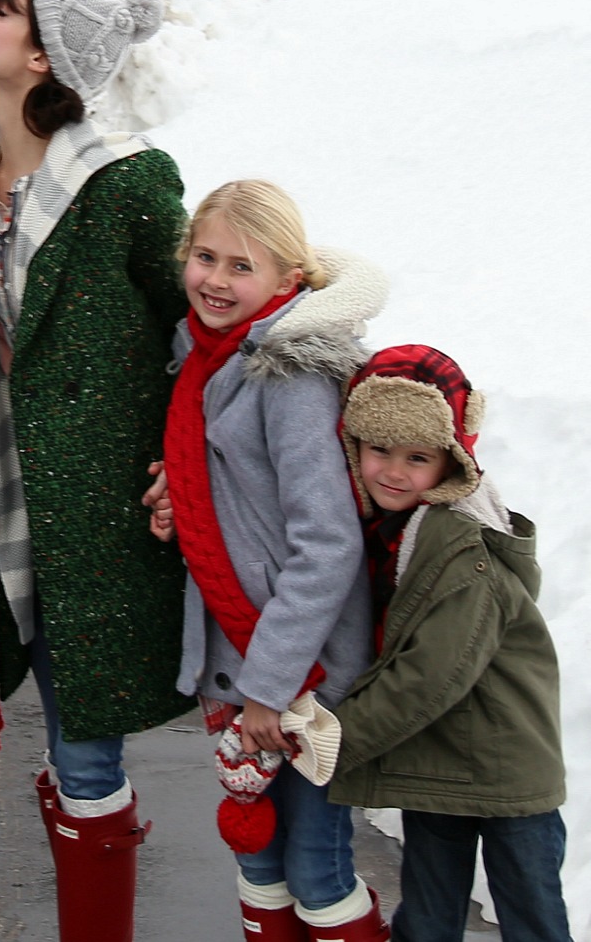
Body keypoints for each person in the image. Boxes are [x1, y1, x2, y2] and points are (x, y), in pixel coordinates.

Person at [0, 0, 187, 942]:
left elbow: (191, 330)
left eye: (2, 8)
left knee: (87, 755)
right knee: (11, 743)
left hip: (96, 523)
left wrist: (180, 460)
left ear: (41, 53)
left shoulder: (128, 180)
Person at [156, 180, 388, 942]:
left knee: (318, 869)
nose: (216, 281)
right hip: (241, 656)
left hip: (302, 676)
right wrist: (182, 496)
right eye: (204, 257)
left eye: (241, 267)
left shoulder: (287, 373)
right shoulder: (202, 355)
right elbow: (231, 485)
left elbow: (326, 542)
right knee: (259, 863)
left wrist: (270, 687)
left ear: (287, 282)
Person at [326, 348, 572, 942]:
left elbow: (432, 674)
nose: (393, 471)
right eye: (379, 449)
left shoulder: (461, 545)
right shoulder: (386, 531)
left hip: (505, 769)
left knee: (531, 913)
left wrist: (335, 737)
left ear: (451, 462)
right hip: (435, 764)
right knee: (428, 917)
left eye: (417, 458)